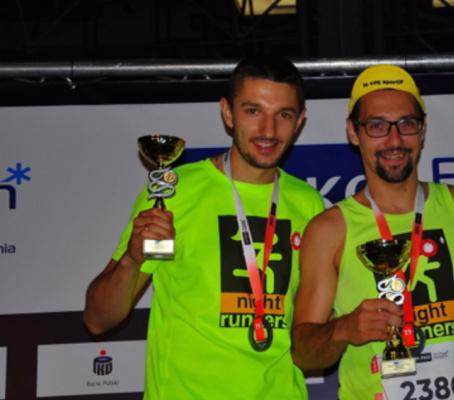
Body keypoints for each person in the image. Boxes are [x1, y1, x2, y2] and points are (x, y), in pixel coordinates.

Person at [83, 55, 324, 399]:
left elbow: (312, 327)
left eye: (283, 115)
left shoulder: (309, 203)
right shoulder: (174, 192)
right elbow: (97, 320)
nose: (268, 131)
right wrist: (131, 260)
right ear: (228, 113)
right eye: (253, 111)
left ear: (299, 120)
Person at [291, 64, 454, 400]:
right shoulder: (329, 230)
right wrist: (343, 329)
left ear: (423, 128)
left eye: (406, 123)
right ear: (353, 132)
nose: (394, 140)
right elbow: (303, 353)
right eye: (377, 126)